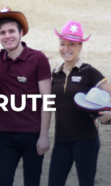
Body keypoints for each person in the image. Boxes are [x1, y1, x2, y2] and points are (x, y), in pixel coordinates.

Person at [0, 7, 52, 186]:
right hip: (5, 136)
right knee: (3, 182)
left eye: (11, 31)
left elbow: (47, 99)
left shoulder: (38, 59)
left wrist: (44, 135)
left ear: (21, 33)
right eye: (2, 32)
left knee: (32, 182)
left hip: (33, 134)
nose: (7, 36)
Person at [48, 20, 111, 186]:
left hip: (86, 141)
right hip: (61, 140)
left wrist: (109, 116)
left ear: (80, 46)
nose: (66, 48)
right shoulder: (55, 74)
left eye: (72, 44)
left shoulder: (89, 72)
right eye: (62, 43)